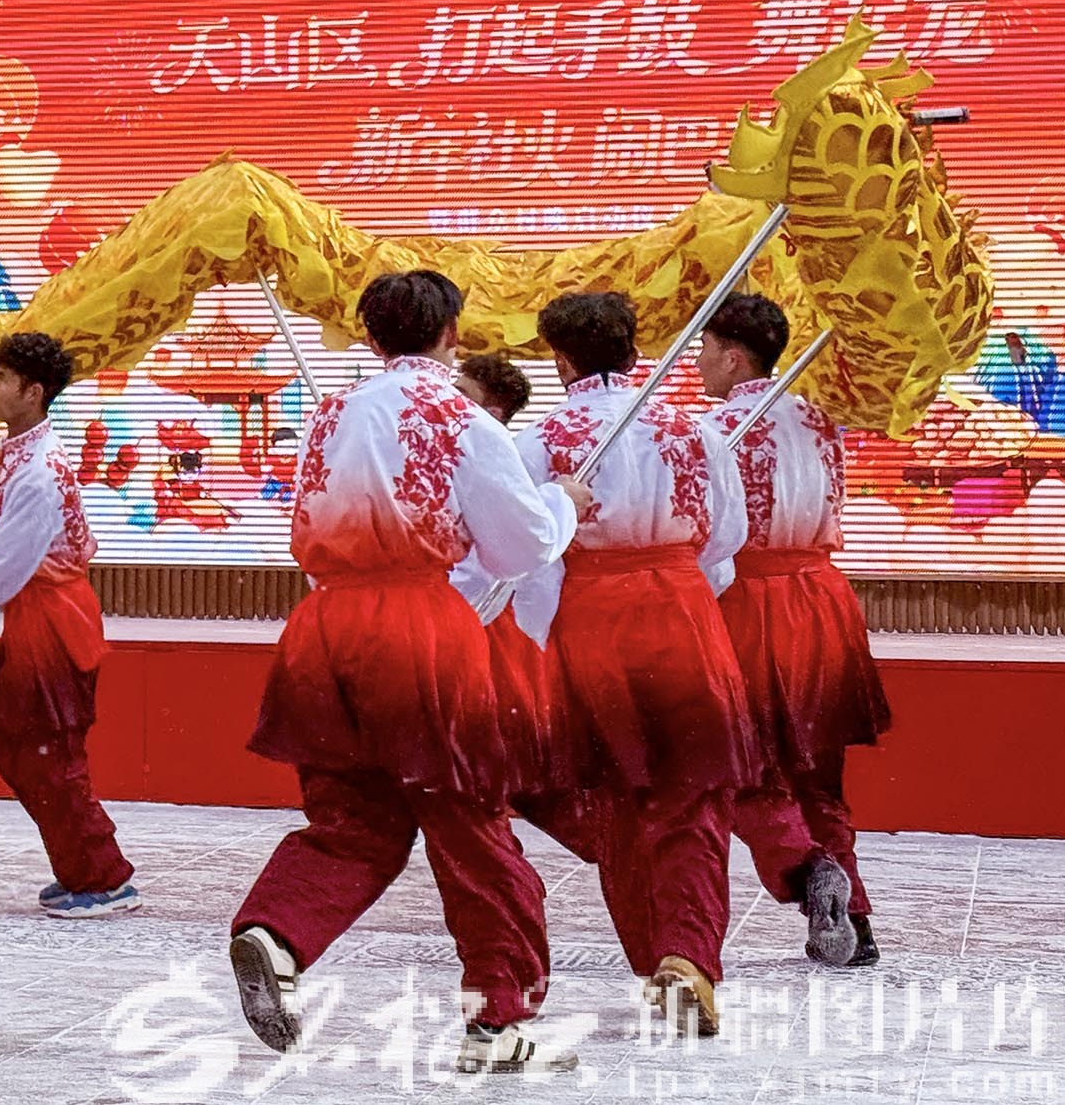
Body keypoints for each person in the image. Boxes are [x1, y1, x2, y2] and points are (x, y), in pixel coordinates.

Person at [227, 271, 579, 1076]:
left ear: (371, 335)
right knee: (470, 831)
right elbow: (519, 547)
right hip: (418, 629)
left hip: (324, 627)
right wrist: (560, 501)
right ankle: (496, 1018)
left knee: (350, 819)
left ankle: (277, 932)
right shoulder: (461, 420)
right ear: (449, 333)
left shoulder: (328, 415)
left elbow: (306, 527)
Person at [524, 290, 756, 1037]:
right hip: (680, 608)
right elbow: (726, 536)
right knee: (696, 793)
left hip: (591, 616)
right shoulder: (693, 428)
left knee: (616, 799)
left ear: (560, 360)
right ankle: (687, 955)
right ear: (633, 352)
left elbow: (530, 549)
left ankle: (653, 957)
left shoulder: (541, 439)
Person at [0, 330, 138, 919]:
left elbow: (8, 560)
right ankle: (84, 864)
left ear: (33, 391)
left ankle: (102, 874)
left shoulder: (40, 468)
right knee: (20, 745)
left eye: (3, 378)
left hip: (51, 620)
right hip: (39, 615)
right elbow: (0, 520)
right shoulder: (21, 451)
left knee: (46, 752)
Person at [697, 292, 888, 971]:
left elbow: (707, 538)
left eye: (702, 349)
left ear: (733, 356)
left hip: (749, 600)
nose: (696, 362)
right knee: (820, 774)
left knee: (746, 766)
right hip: (822, 598)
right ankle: (855, 920)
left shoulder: (714, 428)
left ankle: (809, 876)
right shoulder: (819, 417)